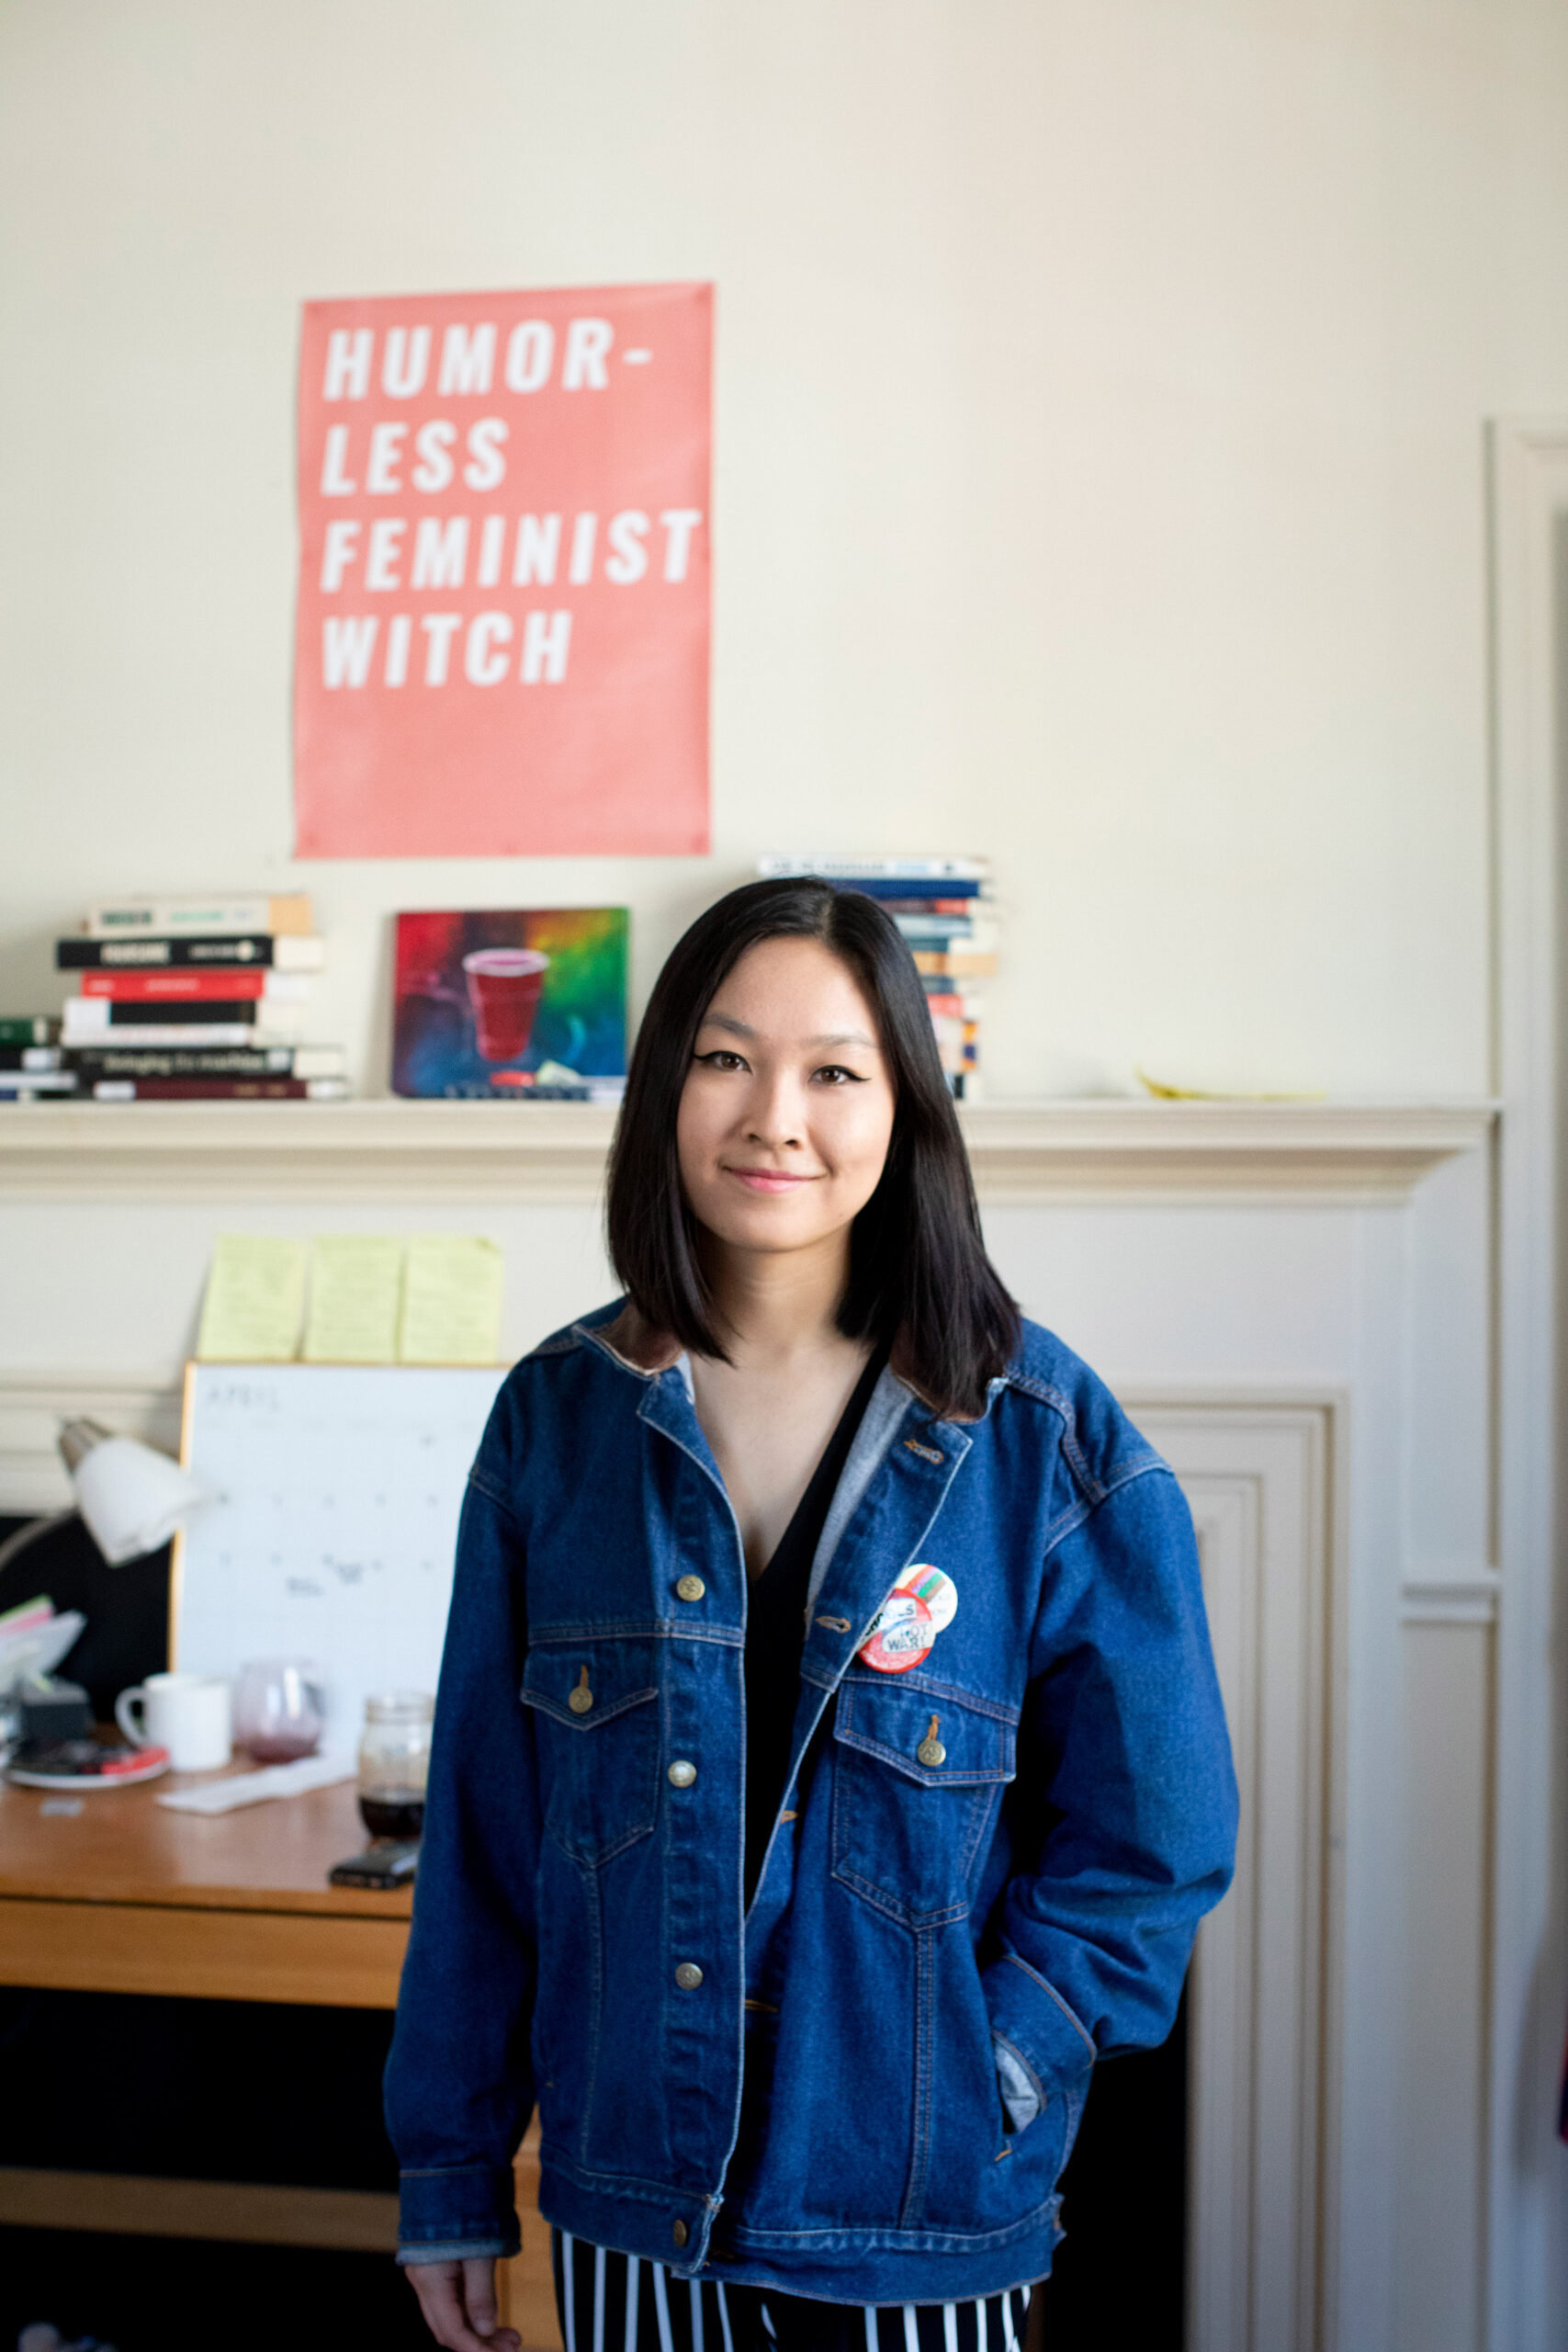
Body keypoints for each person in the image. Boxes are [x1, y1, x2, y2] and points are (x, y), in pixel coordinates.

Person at [386, 876, 1237, 2352]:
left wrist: (1006, 2066)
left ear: (903, 1105)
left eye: (834, 1071)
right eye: (726, 1059)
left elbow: (1156, 1843)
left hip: (926, 2211)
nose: (775, 1115)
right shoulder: (554, 1424)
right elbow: (482, 1839)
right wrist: (452, 2168)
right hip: (632, 2201)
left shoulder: (1047, 1440)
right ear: (662, 1089)